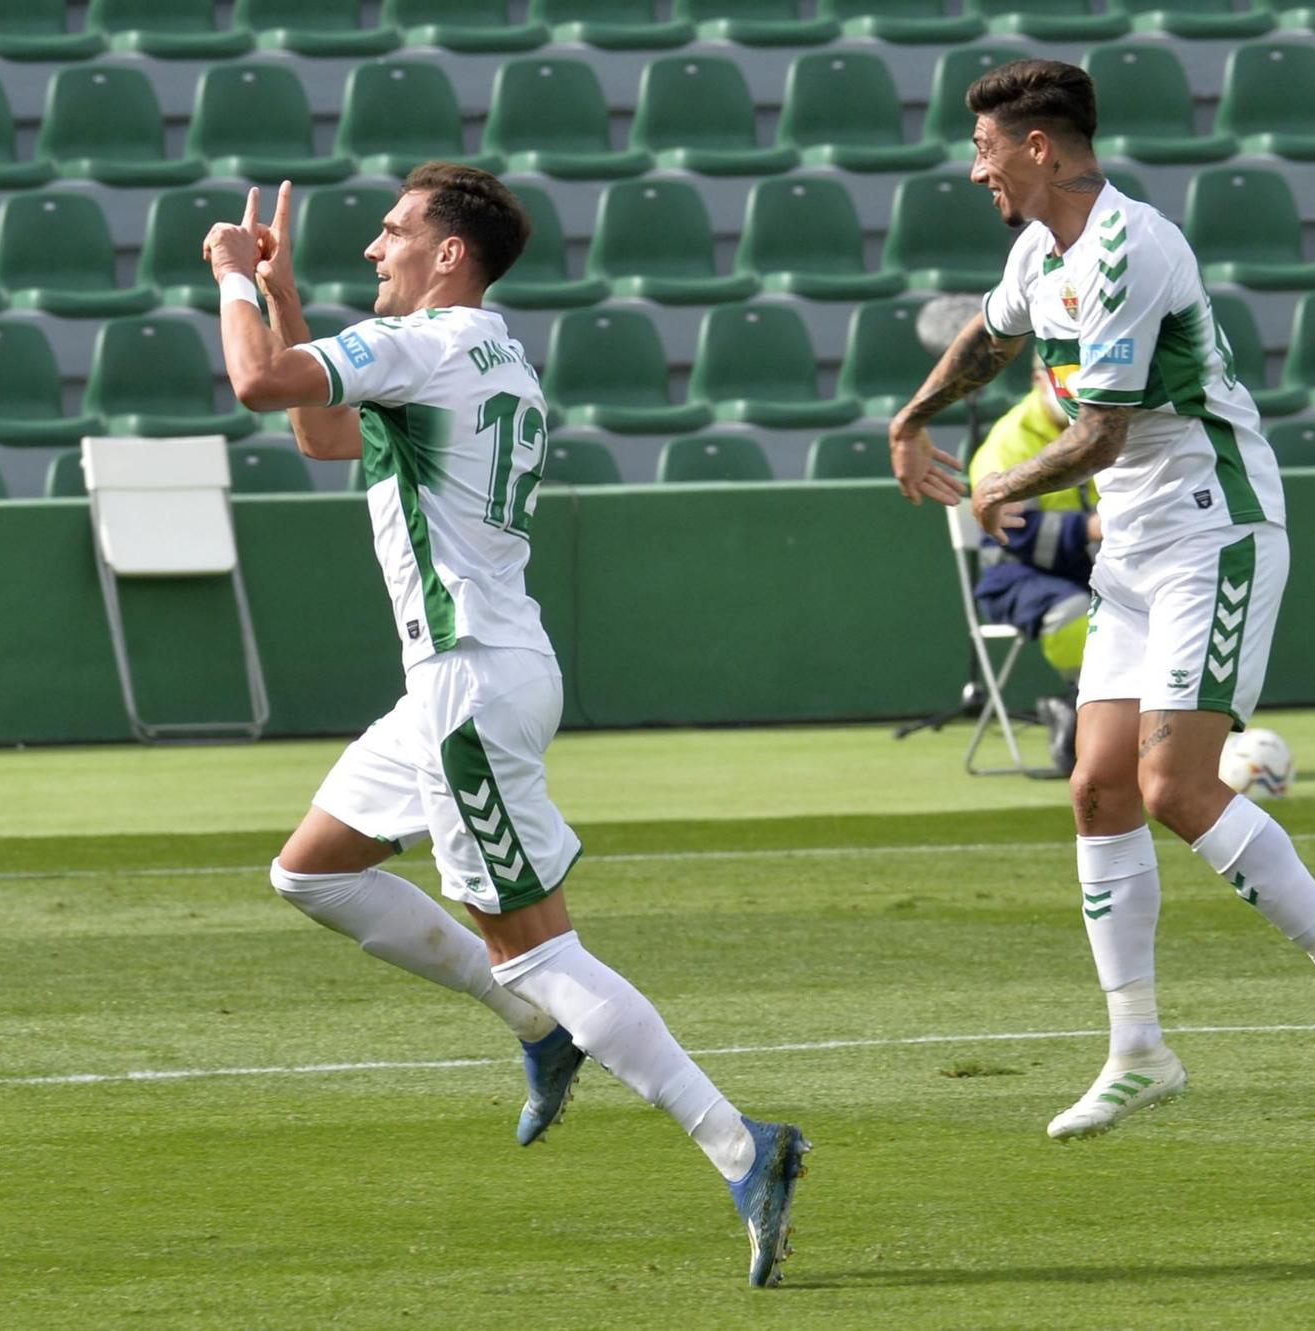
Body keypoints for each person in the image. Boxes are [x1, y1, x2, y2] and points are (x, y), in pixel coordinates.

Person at [199, 164, 806, 1287]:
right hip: (458, 679)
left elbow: (255, 386)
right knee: (313, 872)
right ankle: (536, 1024)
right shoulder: (490, 351)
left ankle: (742, 1143)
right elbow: (321, 436)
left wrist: (236, 280)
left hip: (467, 685)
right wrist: (284, 296)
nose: (374, 249)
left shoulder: (423, 345)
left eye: (393, 232)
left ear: (449, 255)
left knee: (542, 944)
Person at [887, 60, 1315, 1141]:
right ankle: (1138, 1049)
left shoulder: (1132, 247)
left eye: (985, 145)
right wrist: (911, 417)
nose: (974, 165)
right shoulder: (1040, 248)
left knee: (1175, 785)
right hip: (1134, 544)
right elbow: (992, 336)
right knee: (1094, 785)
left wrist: (997, 482)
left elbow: (1100, 432)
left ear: (1039, 146)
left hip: (1211, 529)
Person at [968, 372, 1099, 774]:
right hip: (1016, 577)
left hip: (1093, 566)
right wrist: (1090, 528)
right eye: (1067, 378)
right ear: (1038, 378)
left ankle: (1095, 719)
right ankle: (1085, 707)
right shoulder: (1008, 442)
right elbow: (1014, 533)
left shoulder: (1106, 424)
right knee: (1077, 611)